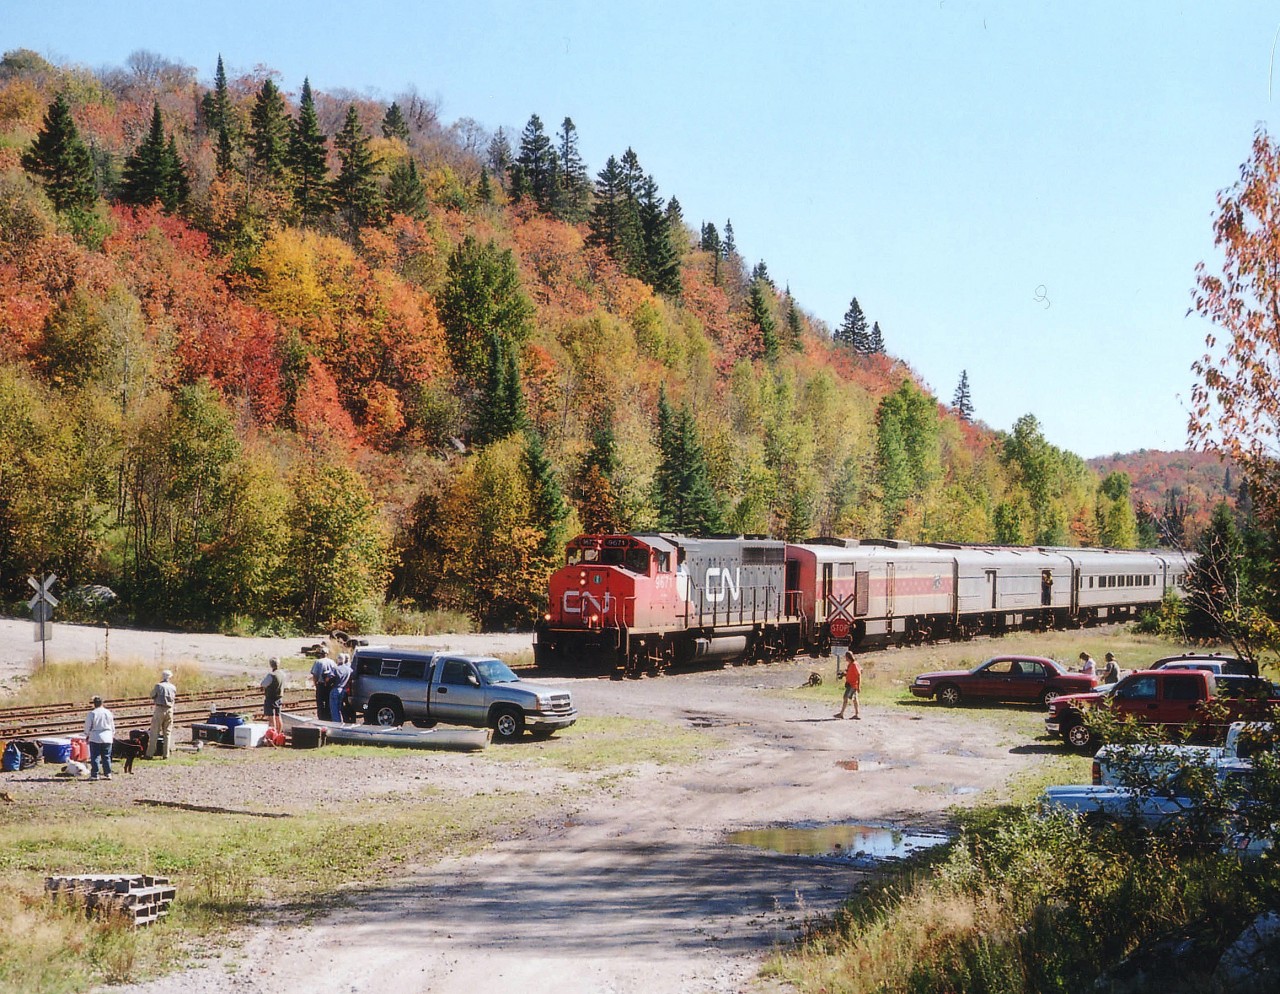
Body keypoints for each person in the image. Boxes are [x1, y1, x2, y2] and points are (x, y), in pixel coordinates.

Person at [146, 669, 176, 759]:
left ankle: (150, 753)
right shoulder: (173, 687)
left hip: (159, 709)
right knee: (167, 733)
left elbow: (152, 695)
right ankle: (166, 754)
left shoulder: (158, 686)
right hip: (170, 710)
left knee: (154, 732)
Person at [84, 695, 115, 780]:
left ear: (94, 704)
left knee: (95, 756)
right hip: (107, 736)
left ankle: (95, 774)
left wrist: (87, 734)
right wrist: (112, 734)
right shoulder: (108, 712)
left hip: (95, 737)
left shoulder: (92, 713)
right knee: (106, 756)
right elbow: (112, 726)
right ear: (102, 703)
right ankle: (108, 773)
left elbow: (87, 726)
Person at [261, 657, 284, 734]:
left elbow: (263, 684)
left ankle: (273, 735)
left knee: (271, 717)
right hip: (279, 697)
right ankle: (279, 733)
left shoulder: (271, 675)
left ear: (271, 665)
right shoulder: (282, 674)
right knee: (278, 716)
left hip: (271, 698)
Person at [309, 651, 334, 720]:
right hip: (330, 685)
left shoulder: (318, 662)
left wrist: (315, 684)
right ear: (327, 654)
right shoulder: (332, 662)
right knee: (328, 702)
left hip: (320, 685)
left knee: (320, 703)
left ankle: (321, 717)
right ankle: (328, 717)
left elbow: (315, 675)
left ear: (321, 654)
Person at [329, 652, 353, 726]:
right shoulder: (349, 669)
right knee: (340, 708)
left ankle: (336, 725)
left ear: (338, 660)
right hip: (343, 689)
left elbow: (331, 678)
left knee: (334, 710)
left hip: (336, 688)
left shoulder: (336, 669)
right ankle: (341, 723)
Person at [836, 654, 862, 720]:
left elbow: (859, 675)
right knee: (855, 699)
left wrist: (859, 686)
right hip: (851, 684)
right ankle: (857, 714)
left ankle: (841, 714)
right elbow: (850, 673)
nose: (845, 658)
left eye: (846, 657)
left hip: (852, 685)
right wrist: (843, 674)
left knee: (845, 697)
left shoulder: (854, 665)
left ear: (849, 657)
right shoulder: (850, 664)